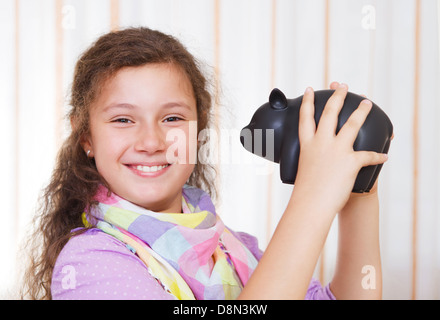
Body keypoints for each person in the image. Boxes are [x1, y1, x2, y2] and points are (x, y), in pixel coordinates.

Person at [21, 27, 388, 300]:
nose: (151, 142)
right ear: (86, 137)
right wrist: (313, 195)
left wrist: (359, 185)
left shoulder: (231, 248)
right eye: (122, 120)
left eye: (172, 119)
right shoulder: (90, 263)